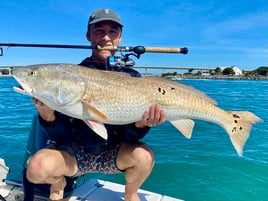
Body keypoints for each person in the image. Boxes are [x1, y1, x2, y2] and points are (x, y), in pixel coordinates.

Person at [24, 8, 166, 201]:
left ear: (120, 37)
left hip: (114, 152)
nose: (106, 37)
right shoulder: (71, 76)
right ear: (88, 35)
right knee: (35, 168)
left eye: (112, 32)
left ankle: (131, 193)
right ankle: (58, 182)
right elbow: (61, 136)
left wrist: (142, 125)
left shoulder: (133, 79)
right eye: (99, 31)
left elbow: (129, 137)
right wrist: (47, 116)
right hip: (75, 153)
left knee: (144, 156)